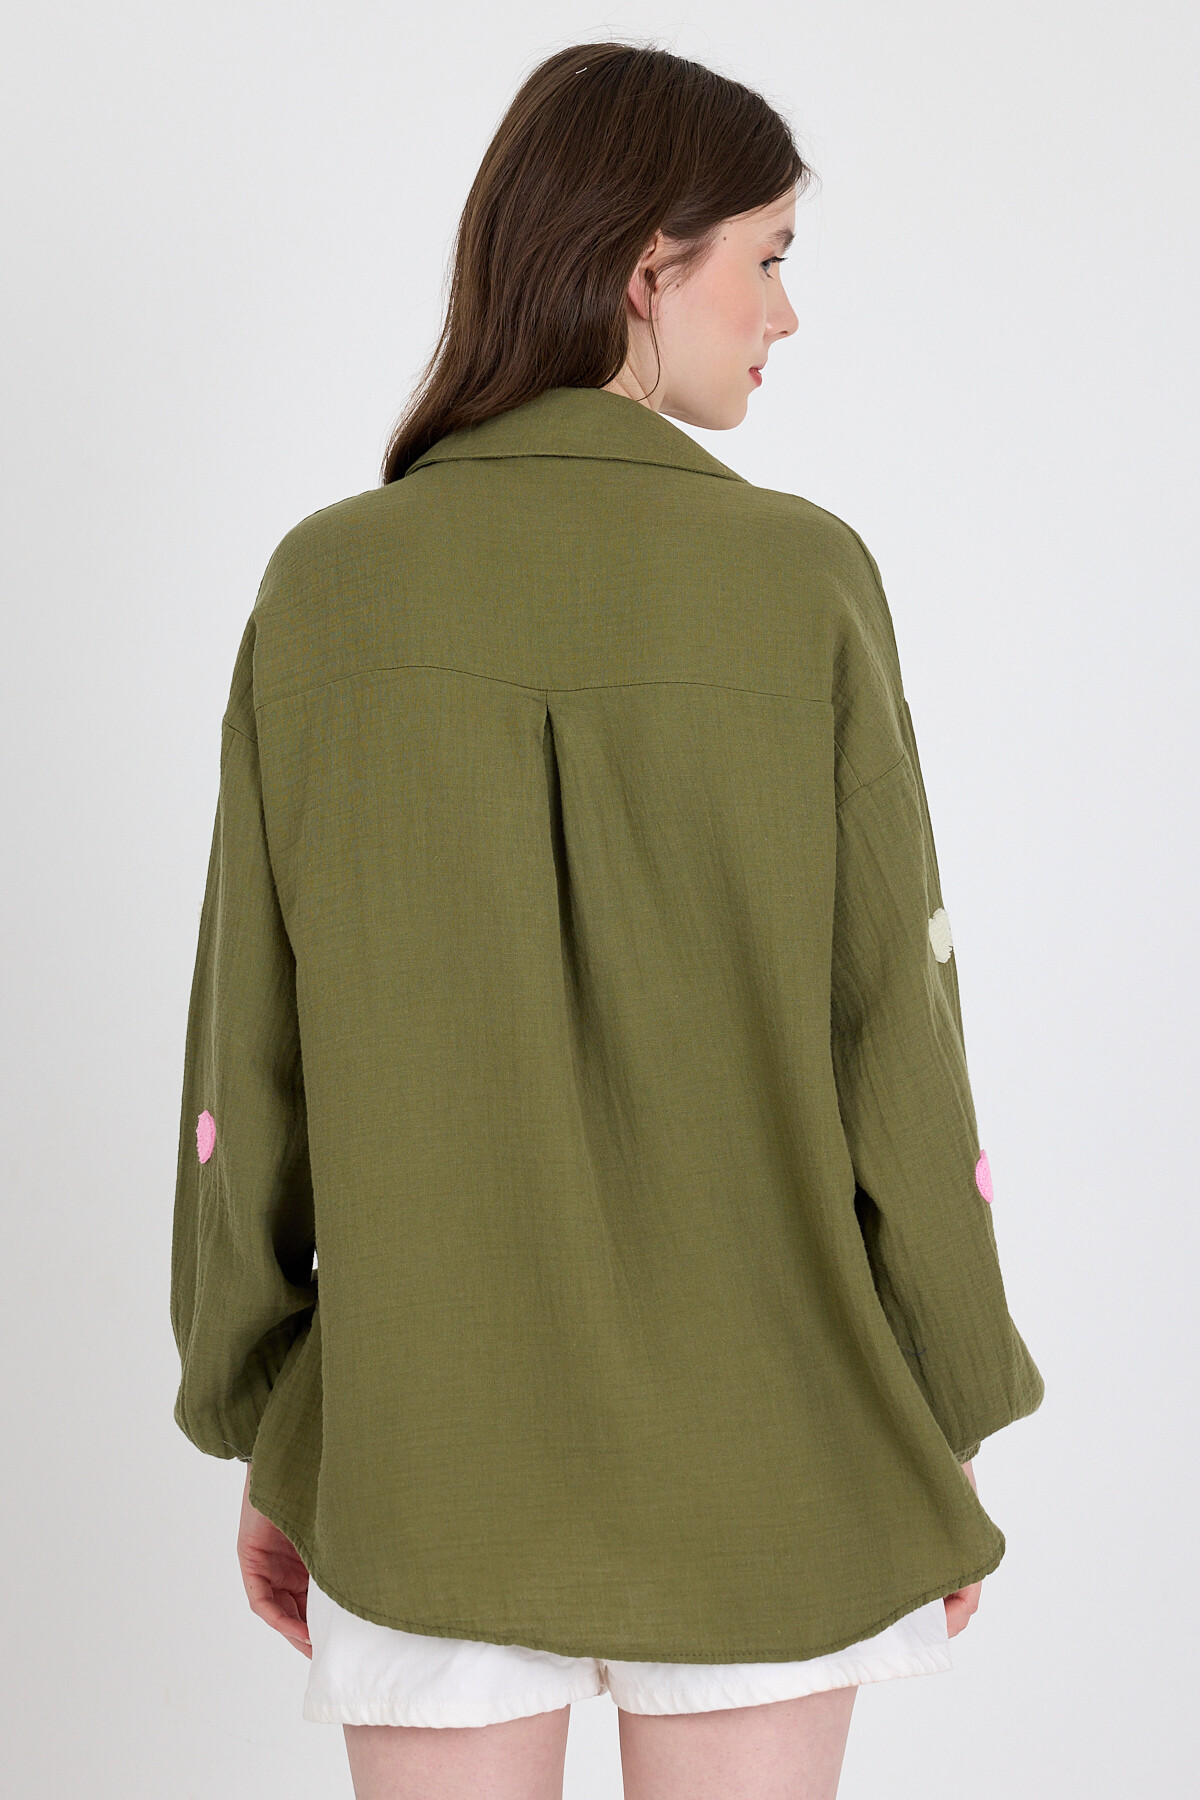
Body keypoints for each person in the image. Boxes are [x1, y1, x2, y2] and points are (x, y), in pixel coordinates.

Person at [171, 39, 1044, 1800]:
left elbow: (243, 1062)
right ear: (650, 264)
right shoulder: (803, 579)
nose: (785, 315)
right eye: (768, 257)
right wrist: (939, 1407)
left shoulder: (326, 588)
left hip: (420, 1450)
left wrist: (278, 1422)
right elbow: (894, 1030)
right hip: (777, 1441)